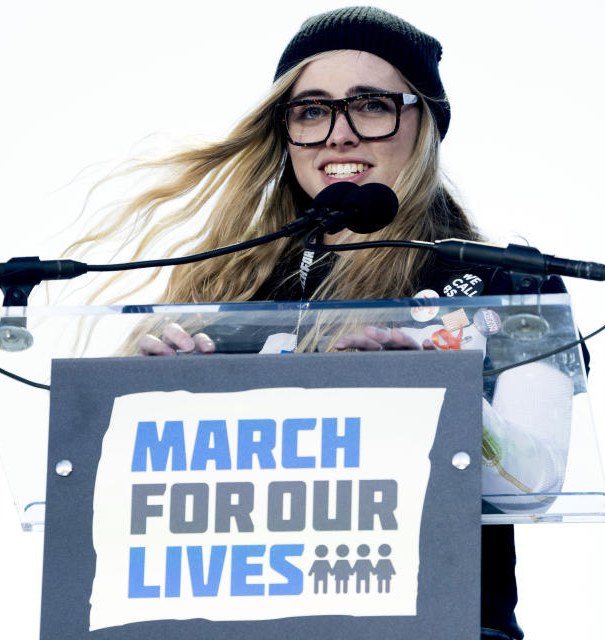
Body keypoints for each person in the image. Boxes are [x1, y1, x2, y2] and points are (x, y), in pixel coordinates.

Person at [68, 7, 570, 639]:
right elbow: (124, 518)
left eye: (371, 104)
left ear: (425, 122)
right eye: (311, 111)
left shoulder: (509, 284)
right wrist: (141, 411)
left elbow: (535, 487)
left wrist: (445, 397)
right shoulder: (226, 304)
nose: (339, 134)